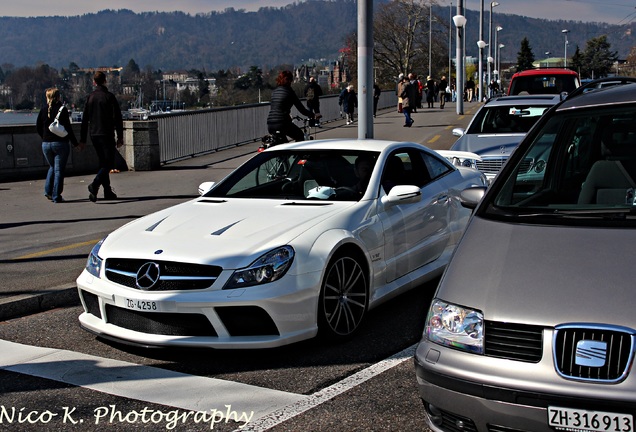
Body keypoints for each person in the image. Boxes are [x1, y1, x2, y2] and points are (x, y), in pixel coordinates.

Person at [80, 71, 124, 202]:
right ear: (105, 81)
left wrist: (82, 139)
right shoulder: (109, 97)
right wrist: (120, 136)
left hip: (94, 134)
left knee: (103, 163)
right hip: (106, 133)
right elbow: (118, 118)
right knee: (109, 163)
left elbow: (84, 119)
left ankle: (107, 191)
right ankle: (95, 184)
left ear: (94, 82)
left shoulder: (90, 97)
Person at [36, 87, 83, 203]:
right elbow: (68, 128)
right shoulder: (62, 110)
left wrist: (45, 138)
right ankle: (56, 195)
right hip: (60, 144)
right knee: (58, 170)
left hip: (46, 144)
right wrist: (75, 143)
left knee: (52, 167)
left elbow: (38, 127)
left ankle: (48, 191)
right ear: (58, 97)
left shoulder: (43, 110)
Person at [267, 70, 317, 143]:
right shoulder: (289, 92)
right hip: (282, 123)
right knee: (299, 135)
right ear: (290, 80)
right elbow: (301, 109)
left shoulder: (275, 92)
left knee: (282, 143)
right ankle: (296, 154)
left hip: (270, 124)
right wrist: (313, 115)